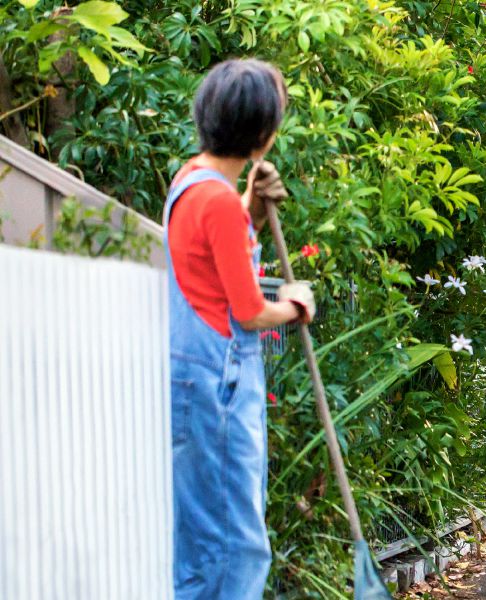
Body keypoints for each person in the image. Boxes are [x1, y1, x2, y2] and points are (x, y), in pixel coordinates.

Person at [166, 59, 316, 599]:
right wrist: (296, 304)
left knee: (205, 541)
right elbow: (250, 310)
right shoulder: (217, 203)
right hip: (220, 388)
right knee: (235, 548)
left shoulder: (192, 182)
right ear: (262, 134)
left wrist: (251, 203)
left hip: (193, 381)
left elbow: (217, 261)